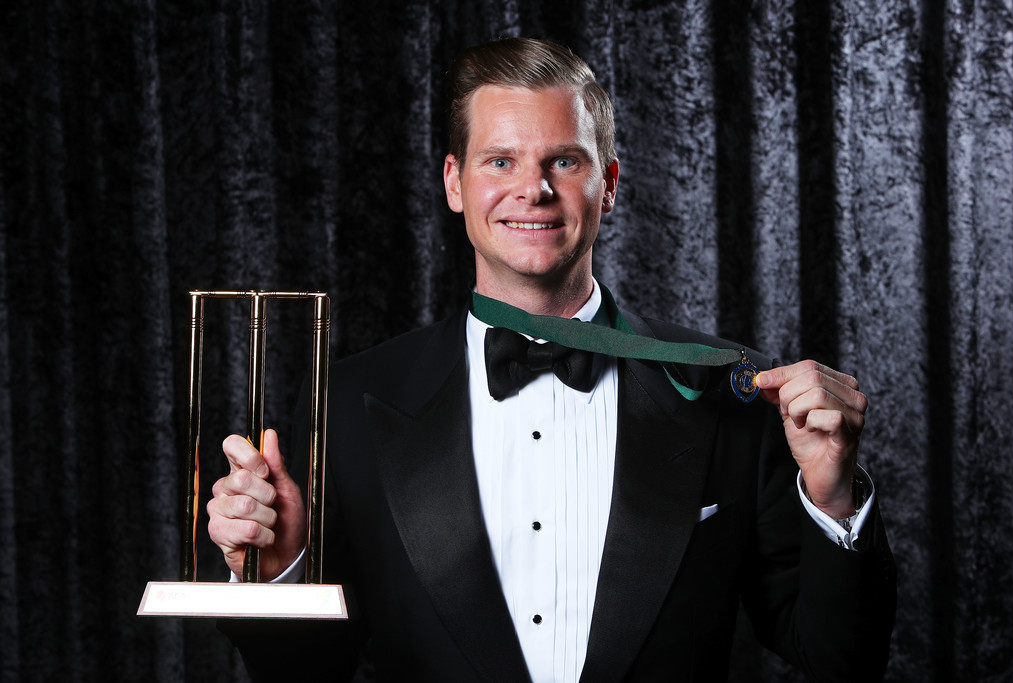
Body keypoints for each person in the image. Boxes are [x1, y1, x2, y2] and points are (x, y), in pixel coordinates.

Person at [209, 37, 896, 682]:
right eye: (499, 161)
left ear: (610, 184)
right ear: (454, 183)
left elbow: (840, 657)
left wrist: (833, 497)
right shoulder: (351, 400)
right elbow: (305, 671)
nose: (532, 189)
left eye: (564, 161)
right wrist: (277, 572)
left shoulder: (724, 386)